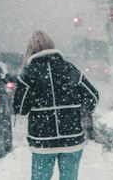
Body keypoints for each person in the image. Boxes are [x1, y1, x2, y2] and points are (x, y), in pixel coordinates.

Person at [14, 30, 98, 180]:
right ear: (51, 45)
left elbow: (20, 108)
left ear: (30, 49)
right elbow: (92, 96)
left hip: (42, 141)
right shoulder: (69, 69)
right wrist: (78, 111)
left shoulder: (28, 74)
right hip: (72, 138)